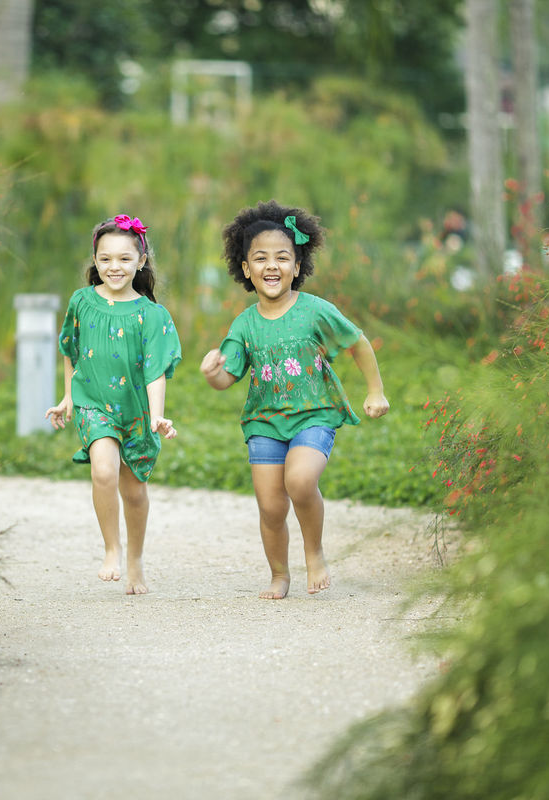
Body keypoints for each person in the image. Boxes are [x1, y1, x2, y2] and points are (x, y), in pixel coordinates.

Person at [200, 200, 389, 599]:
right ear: (245, 269)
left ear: (298, 265)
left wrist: (375, 390)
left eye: (282, 257)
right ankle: (279, 574)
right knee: (271, 507)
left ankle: (314, 552)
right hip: (265, 422)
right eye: (261, 258)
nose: (272, 266)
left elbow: (357, 342)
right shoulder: (244, 324)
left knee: (300, 481)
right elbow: (228, 376)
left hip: (314, 415)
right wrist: (213, 373)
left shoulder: (315, 311)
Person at [46, 214, 182, 595]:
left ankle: (135, 558)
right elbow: (70, 350)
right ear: (95, 260)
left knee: (134, 492)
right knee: (103, 472)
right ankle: (112, 549)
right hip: (95, 405)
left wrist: (157, 415)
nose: (114, 267)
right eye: (105, 258)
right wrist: (69, 397)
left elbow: (156, 370)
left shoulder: (152, 315)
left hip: (136, 411)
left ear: (141, 261)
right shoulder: (81, 302)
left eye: (124, 258)